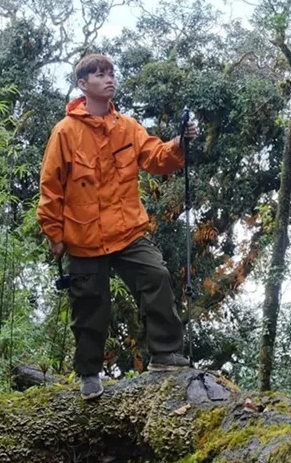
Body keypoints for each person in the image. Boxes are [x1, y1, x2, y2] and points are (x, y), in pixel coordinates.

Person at [36, 53, 198, 400]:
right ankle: (89, 374)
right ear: (83, 84)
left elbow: (155, 156)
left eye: (110, 73)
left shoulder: (127, 126)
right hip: (83, 236)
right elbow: (51, 184)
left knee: (156, 276)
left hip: (127, 231)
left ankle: (166, 354)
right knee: (89, 307)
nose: (108, 79)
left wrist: (180, 144)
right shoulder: (65, 132)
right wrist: (54, 233)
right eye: (99, 74)